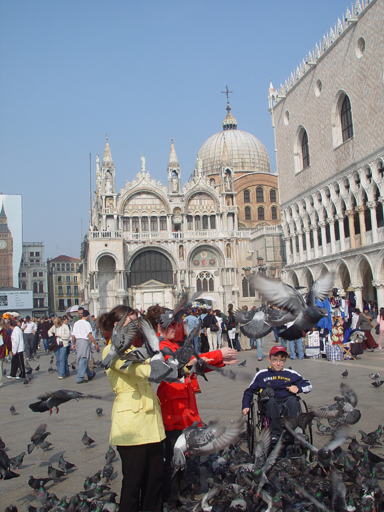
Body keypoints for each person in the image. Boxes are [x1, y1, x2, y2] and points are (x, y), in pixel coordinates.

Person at [145, 305, 238, 509]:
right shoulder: (161, 346)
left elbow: (193, 366)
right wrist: (217, 355)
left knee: (183, 455)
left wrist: (219, 362)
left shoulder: (173, 344)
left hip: (185, 407)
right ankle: (172, 499)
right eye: (170, 324)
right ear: (159, 327)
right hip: (173, 409)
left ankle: (183, 494)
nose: (175, 327)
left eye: (177, 323)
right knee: (173, 456)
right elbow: (186, 364)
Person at [101, 305, 165, 512]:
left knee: (154, 482)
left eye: (137, 322)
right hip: (131, 426)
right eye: (130, 322)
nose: (135, 327)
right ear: (116, 326)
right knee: (132, 484)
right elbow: (137, 370)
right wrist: (162, 369)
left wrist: (201, 362)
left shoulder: (136, 350)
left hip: (152, 424)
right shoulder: (111, 352)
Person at [242, 346, 312, 443]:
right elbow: (249, 391)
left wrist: (298, 388)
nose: (278, 363)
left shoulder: (291, 374)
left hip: (287, 400)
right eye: (275, 360)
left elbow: (308, 385)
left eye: (281, 361)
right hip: (270, 402)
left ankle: (293, 432)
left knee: (293, 401)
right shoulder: (262, 374)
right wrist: (246, 405)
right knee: (271, 402)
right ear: (269, 360)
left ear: (285, 361)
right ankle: (275, 434)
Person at [72, 310, 99, 383]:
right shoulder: (86, 323)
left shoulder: (76, 323)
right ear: (87, 316)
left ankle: (90, 374)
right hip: (84, 341)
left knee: (83, 359)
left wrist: (73, 344)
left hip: (78, 341)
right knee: (83, 359)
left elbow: (73, 335)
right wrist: (95, 344)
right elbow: (90, 335)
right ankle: (80, 377)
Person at [0, 321, 12, 388]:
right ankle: (0, 382)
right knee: (0, 366)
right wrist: (9, 349)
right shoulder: (4, 331)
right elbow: (7, 341)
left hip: (1, 350)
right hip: (1, 350)